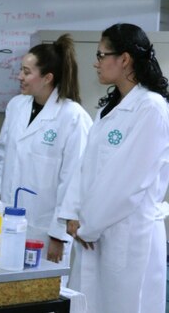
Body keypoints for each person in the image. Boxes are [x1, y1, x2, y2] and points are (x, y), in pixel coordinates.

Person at [60, 23, 169, 313]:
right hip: (93, 232)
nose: (96, 63)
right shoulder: (109, 109)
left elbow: (128, 182)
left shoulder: (151, 108)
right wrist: (72, 213)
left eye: (101, 54)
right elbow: (85, 167)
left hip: (128, 235)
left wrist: (89, 225)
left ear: (124, 59)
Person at [0, 34, 92, 272]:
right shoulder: (17, 106)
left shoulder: (73, 117)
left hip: (45, 231)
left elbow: (74, 180)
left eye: (26, 72)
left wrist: (58, 234)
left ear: (47, 78)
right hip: (7, 222)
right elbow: (3, 159)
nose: (19, 77)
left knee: (44, 294)